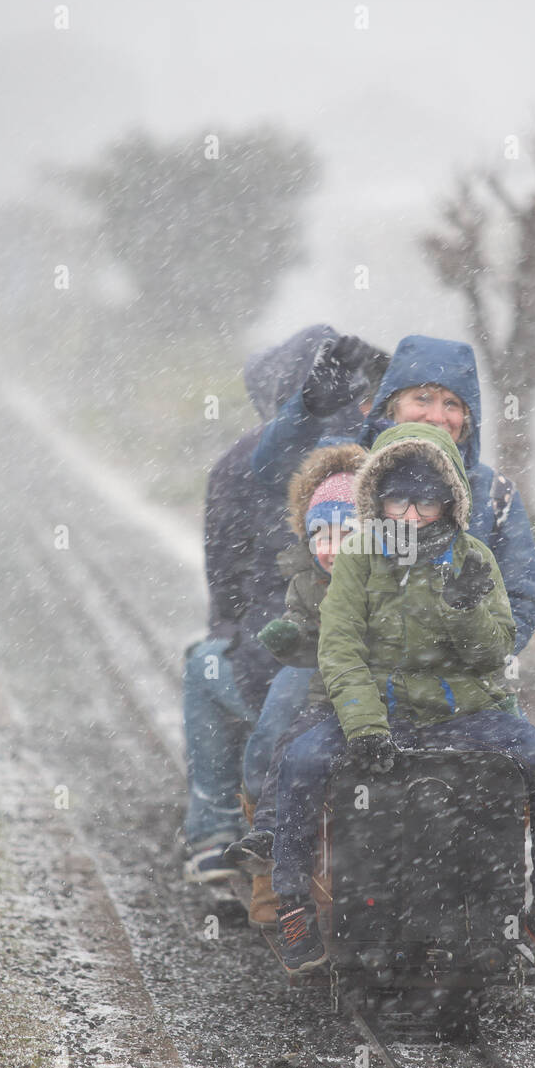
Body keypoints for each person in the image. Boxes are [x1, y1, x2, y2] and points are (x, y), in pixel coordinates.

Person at [268, 423, 535, 978]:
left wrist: (464, 609)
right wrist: (365, 727)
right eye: (398, 500)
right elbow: (340, 650)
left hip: (465, 715)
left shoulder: (474, 558)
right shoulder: (360, 558)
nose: (410, 516)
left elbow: (495, 652)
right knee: (300, 761)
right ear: (377, 500)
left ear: (451, 503)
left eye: (427, 503)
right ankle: (291, 904)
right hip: (378, 717)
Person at [181, 325, 387, 883]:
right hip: (382, 652)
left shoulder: (243, 461)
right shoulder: (385, 453)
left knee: (201, 666)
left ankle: (215, 829)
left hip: (287, 652)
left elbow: (224, 574)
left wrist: (229, 629)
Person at [252, 333, 535, 659]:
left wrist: (470, 656)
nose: (437, 416)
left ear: (467, 418)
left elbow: (521, 597)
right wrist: (306, 409)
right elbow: (272, 472)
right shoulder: (346, 462)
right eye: (422, 398)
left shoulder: (493, 492)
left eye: (452, 404)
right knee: (285, 702)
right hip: (345, 666)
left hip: (455, 687)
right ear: (392, 405)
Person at [222, 440, 367, 925]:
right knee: (277, 739)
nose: (331, 544)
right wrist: (283, 643)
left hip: (383, 673)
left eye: (345, 533)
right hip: (325, 666)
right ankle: (271, 859)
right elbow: (295, 620)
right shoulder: (306, 574)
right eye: (320, 533)